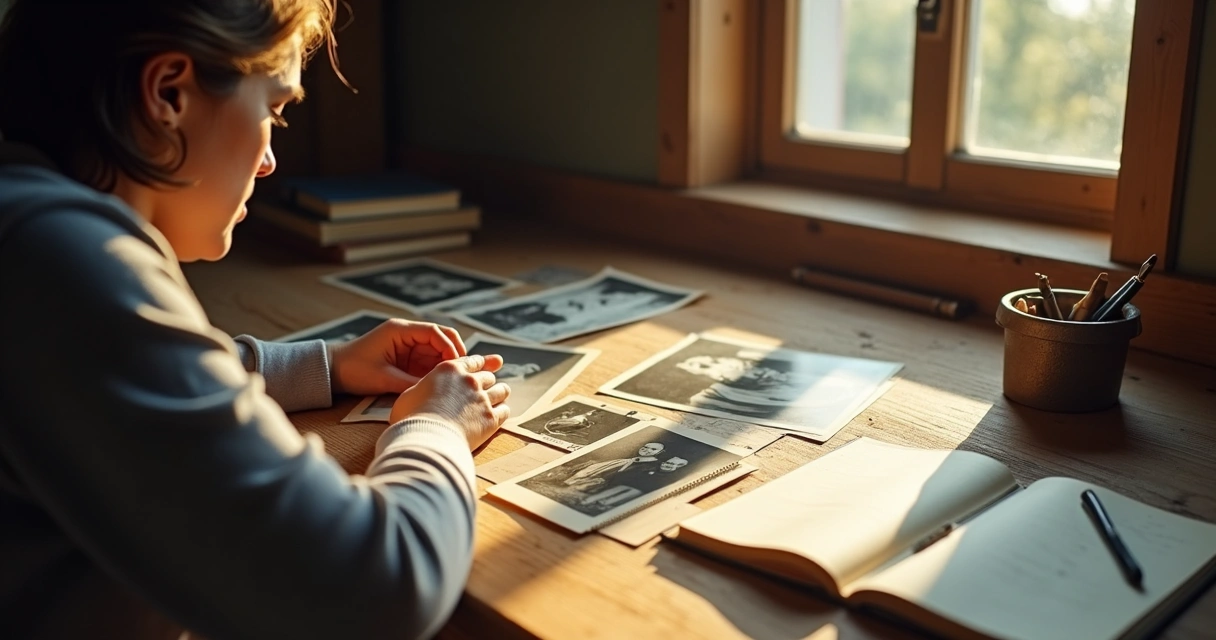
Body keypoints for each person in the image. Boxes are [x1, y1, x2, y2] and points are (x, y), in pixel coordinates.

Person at [0, 2, 511, 639]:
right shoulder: (60, 258)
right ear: (168, 94)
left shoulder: (25, 216)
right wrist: (435, 429)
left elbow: (110, 376)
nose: (269, 161)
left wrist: (326, 365)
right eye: (272, 109)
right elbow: (377, 590)